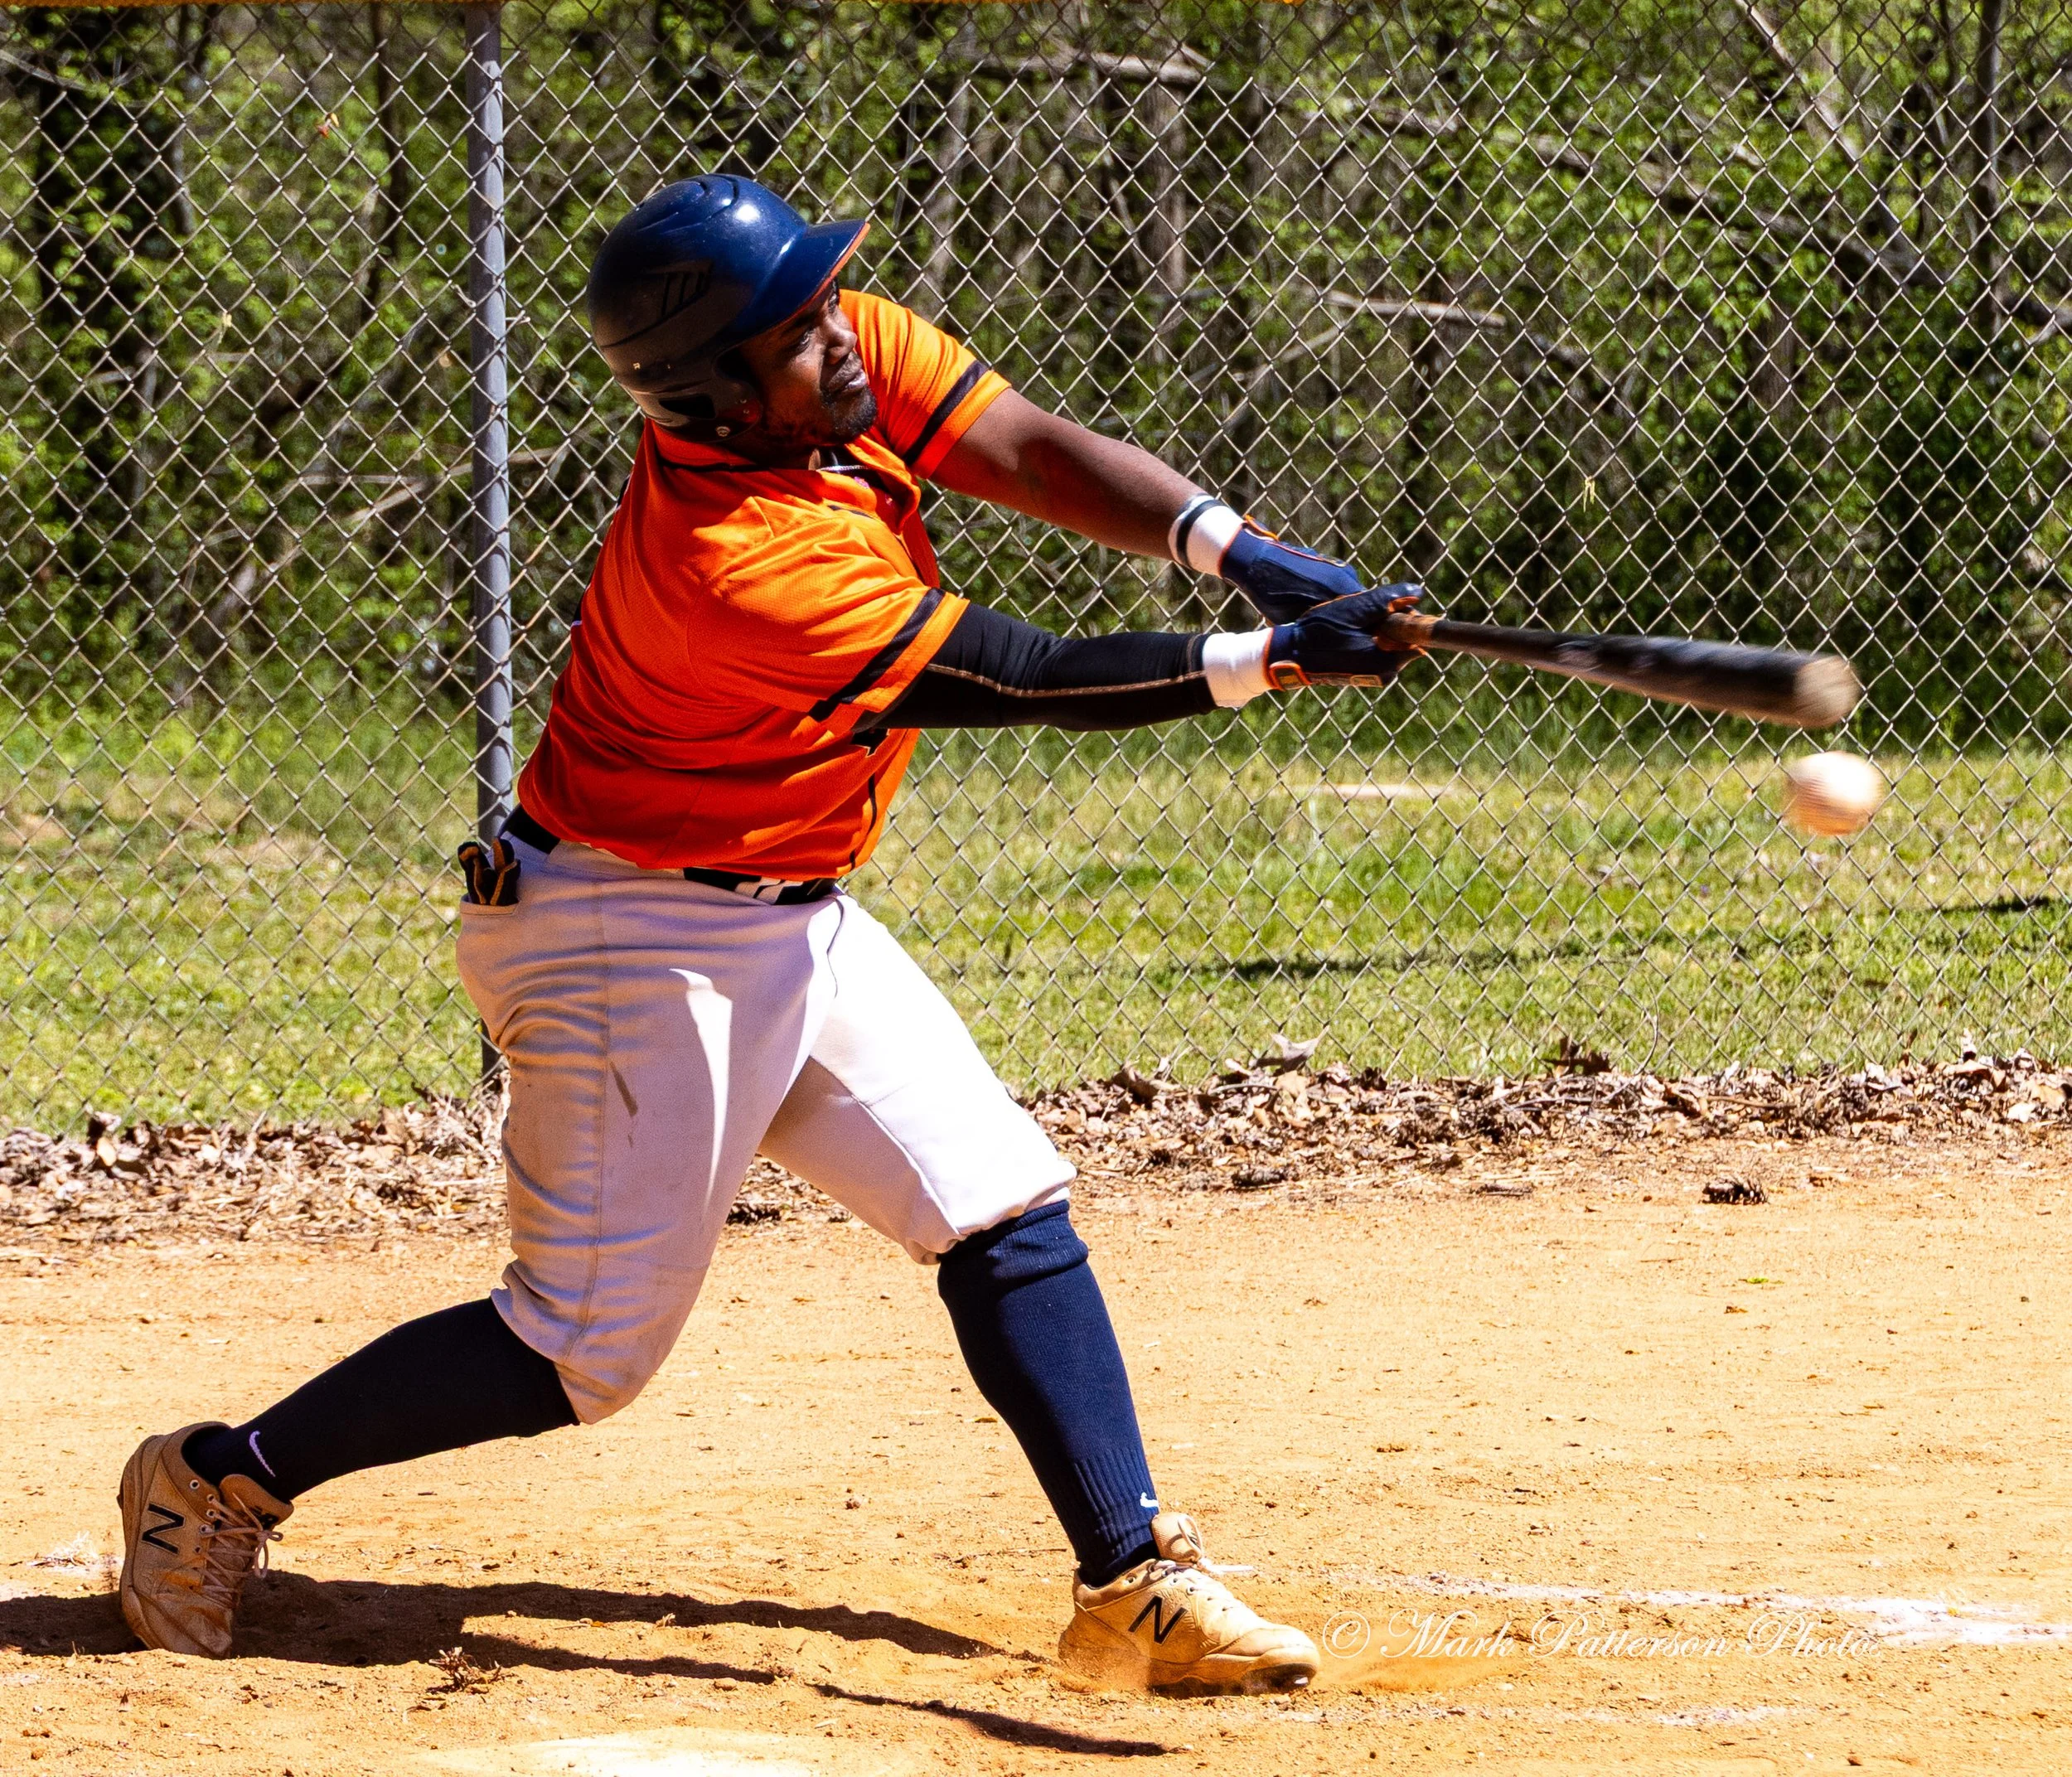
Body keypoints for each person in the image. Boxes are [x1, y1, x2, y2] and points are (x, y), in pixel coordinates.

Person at [115, 175, 1417, 1693]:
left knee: (998, 1204)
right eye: (798, 329)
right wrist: (1270, 657)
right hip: (628, 930)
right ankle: (218, 1476)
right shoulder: (733, 561)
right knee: (578, 1351)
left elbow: (1018, 444)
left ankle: (1132, 1583)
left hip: (788, 907)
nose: (840, 335)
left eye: (820, 305)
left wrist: (1223, 542)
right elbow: (1020, 677)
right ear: (714, 390)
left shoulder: (814, 372)